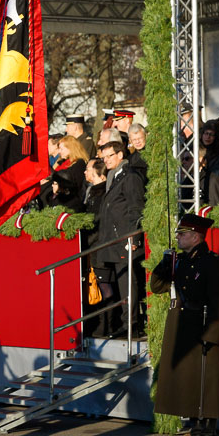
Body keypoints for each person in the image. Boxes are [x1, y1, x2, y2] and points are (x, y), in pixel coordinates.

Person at [151, 214, 219, 436]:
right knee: (188, 385)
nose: (178, 237)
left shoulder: (212, 262)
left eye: (182, 234)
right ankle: (195, 435)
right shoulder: (179, 261)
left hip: (202, 325)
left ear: (196, 236)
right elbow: (157, 287)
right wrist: (164, 265)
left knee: (205, 385)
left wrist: (212, 334)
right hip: (180, 326)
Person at [93, 142, 145, 337]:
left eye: (109, 156)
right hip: (112, 241)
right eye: (103, 157)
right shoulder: (115, 176)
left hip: (124, 240)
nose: (105, 160)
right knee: (120, 284)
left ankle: (131, 325)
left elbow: (135, 208)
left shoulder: (130, 177)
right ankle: (123, 323)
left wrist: (133, 237)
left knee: (127, 283)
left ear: (120, 154)